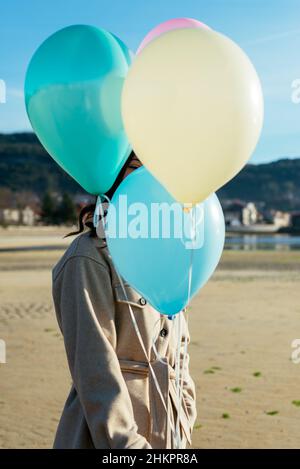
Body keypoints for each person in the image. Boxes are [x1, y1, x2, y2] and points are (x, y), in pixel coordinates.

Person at [52, 151, 197, 449]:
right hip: (109, 441)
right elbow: (95, 371)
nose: (148, 178)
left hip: (169, 438)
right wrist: (129, 445)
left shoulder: (163, 257)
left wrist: (184, 418)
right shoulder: (87, 258)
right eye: (135, 168)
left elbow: (179, 354)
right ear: (112, 177)